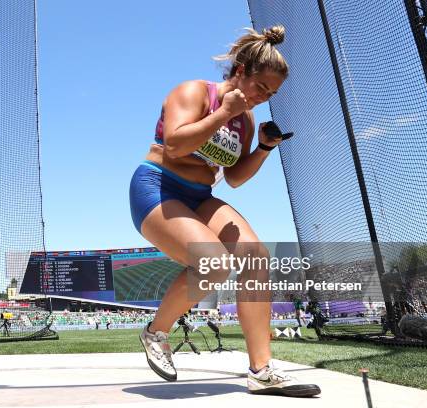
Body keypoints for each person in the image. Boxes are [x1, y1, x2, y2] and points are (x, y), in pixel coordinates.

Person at [130, 25, 321, 397]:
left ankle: (261, 371)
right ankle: (155, 333)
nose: (262, 98)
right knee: (213, 263)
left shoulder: (246, 121)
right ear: (241, 71)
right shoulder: (194, 92)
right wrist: (220, 115)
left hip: (200, 195)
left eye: (271, 94)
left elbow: (232, 178)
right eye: (260, 87)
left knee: (256, 258)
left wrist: (263, 148)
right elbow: (174, 146)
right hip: (157, 187)